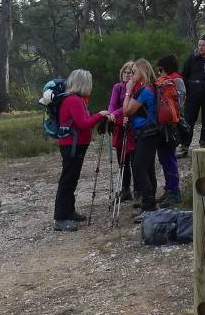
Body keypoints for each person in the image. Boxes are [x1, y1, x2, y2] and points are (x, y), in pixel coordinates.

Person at [52, 69, 110, 231]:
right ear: (84, 83)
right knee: (68, 180)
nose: (91, 86)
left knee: (72, 179)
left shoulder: (76, 100)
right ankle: (60, 218)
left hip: (75, 144)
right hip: (72, 145)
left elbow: (81, 120)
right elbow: (84, 123)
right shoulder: (73, 100)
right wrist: (100, 115)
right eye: (89, 82)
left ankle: (69, 211)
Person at [122, 58, 160, 221]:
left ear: (142, 72)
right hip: (149, 133)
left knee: (139, 168)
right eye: (130, 72)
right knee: (148, 168)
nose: (131, 75)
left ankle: (149, 206)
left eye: (134, 71)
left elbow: (126, 110)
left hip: (146, 133)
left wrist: (128, 91)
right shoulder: (150, 88)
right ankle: (149, 205)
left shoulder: (145, 91)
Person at [179, 34, 205, 157]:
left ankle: (204, 145)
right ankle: (184, 147)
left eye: (203, 45)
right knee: (188, 120)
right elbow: (184, 74)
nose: (200, 47)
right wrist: (185, 91)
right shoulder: (192, 57)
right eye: (199, 45)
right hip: (192, 95)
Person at [156, 54, 185, 207]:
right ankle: (169, 189)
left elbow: (180, 102)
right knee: (164, 158)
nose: (158, 72)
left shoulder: (175, 80)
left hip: (171, 125)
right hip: (165, 124)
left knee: (169, 158)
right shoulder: (167, 81)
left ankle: (174, 191)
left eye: (159, 69)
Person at [108, 61, 136, 202]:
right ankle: (125, 190)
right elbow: (112, 104)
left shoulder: (136, 88)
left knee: (134, 160)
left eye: (130, 72)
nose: (126, 74)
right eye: (125, 72)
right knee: (122, 159)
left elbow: (128, 106)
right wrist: (110, 114)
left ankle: (138, 190)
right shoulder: (117, 87)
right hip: (119, 126)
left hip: (132, 127)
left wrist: (116, 113)